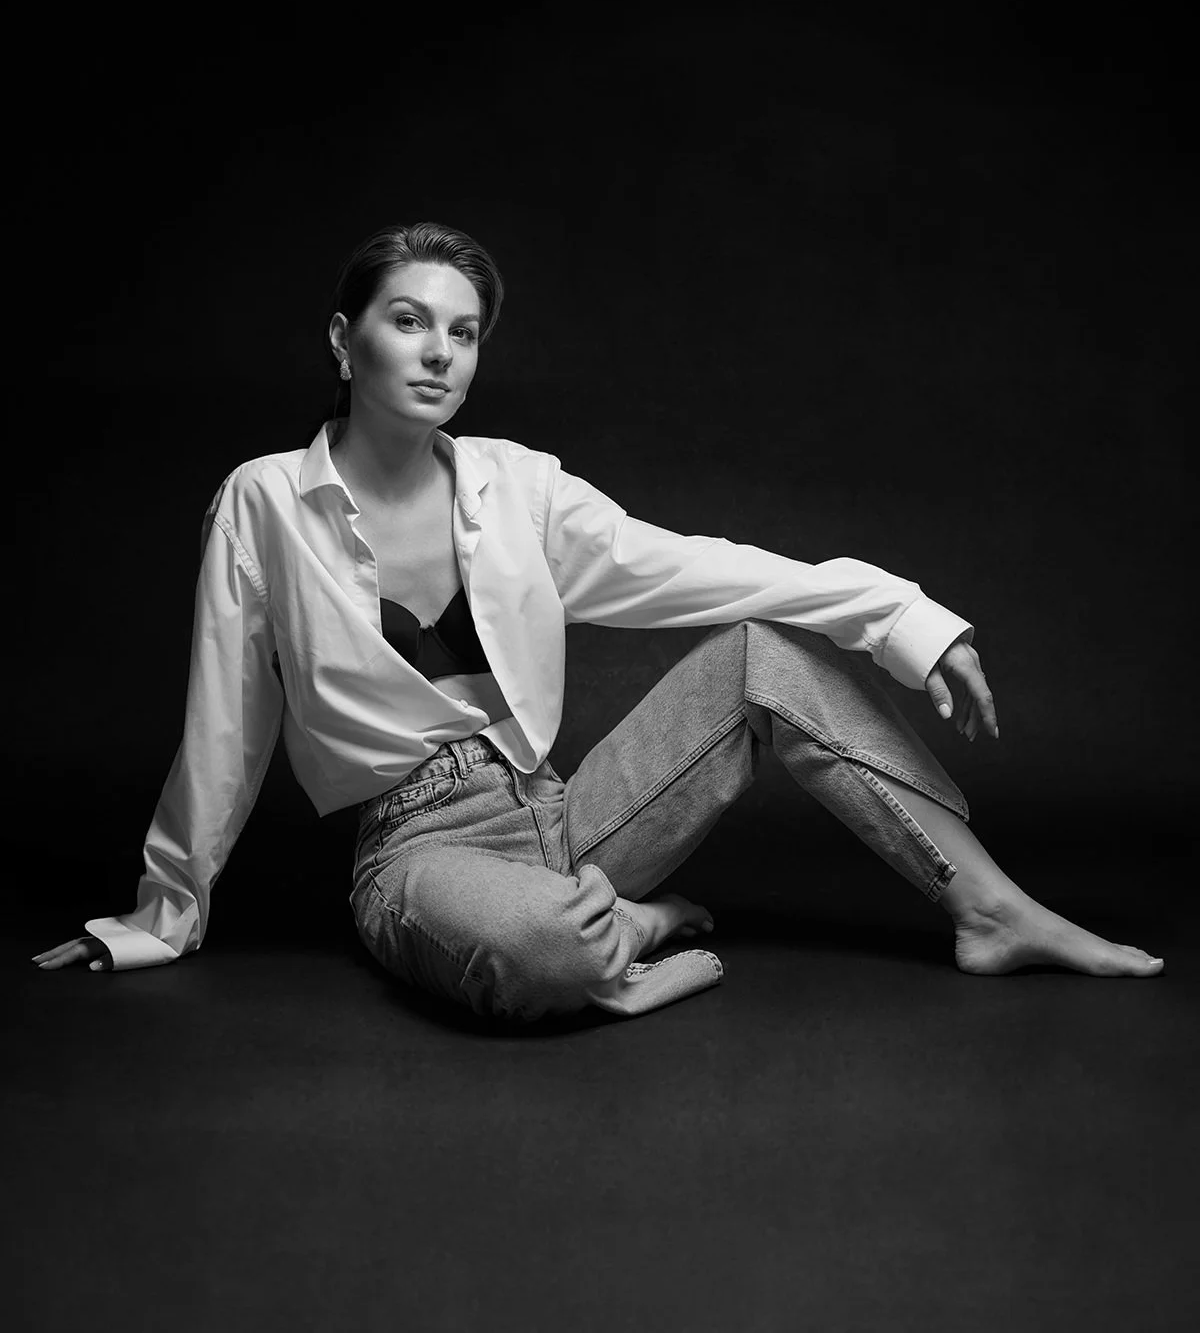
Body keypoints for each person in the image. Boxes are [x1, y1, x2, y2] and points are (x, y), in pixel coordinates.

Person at [32, 223, 1164, 1019]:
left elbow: (707, 572)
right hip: (417, 852)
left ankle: (994, 910)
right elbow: (224, 723)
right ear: (343, 342)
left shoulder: (519, 489)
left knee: (761, 657)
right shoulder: (265, 502)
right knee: (543, 948)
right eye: (409, 321)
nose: (438, 353)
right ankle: (644, 928)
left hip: (564, 814)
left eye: (464, 333)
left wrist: (904, 616)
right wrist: (162, 917)